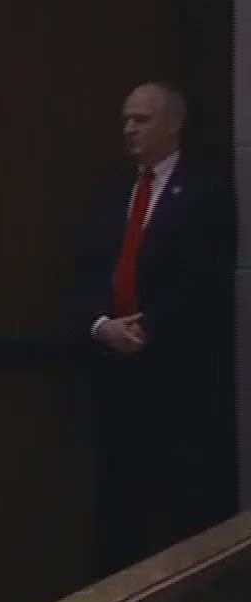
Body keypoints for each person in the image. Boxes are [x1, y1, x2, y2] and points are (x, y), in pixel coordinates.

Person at [81, 82, 237, 575]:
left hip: (179, 372)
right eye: (126, 119)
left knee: (182, 499)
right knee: (118, 503)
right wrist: (102, 324)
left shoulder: (206, 191)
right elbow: (87, 270)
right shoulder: (113, 193)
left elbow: (208, 279)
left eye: (141, 120)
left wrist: (147, 325)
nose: (129, 129)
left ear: (173, 124)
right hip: (115, 373)